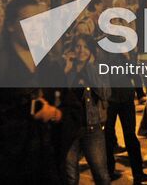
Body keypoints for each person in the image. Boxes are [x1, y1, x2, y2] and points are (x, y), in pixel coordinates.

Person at [0, 0, 80, 185]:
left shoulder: (50, 66)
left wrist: (54, 113)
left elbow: (72, 109)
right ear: (11, 25)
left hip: (42, 170)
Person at [63, 34, 113, 185]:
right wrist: (67, 70)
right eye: (78, 46)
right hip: (69, 129)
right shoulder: (66, 67)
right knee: (71, 178)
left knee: (101, 175)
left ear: (91, 50)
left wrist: (90, 68)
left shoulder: (98, 68)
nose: (81, 50)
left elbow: (105, 93)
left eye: (85, 47)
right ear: (72, 49)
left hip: (92, 127)